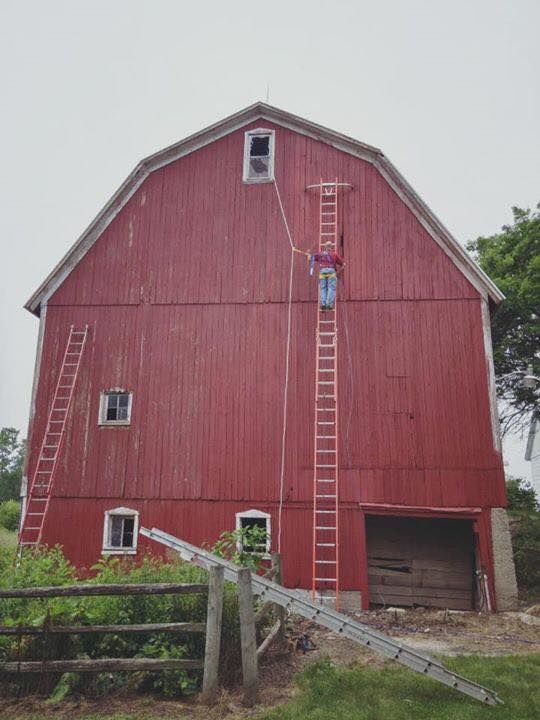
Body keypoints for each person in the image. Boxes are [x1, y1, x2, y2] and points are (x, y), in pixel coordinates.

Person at [308, 241, 344, 310]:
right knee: (331, 288)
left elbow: (311, 258)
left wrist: (309, 255)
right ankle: (329, 304)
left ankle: (323, 304)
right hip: (331, 272)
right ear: (331, 247)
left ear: (325, 247)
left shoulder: (320, 254)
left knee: (323, 288)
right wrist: (342, 266)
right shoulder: (334, 254)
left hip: (322, 272)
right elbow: (342, 263)